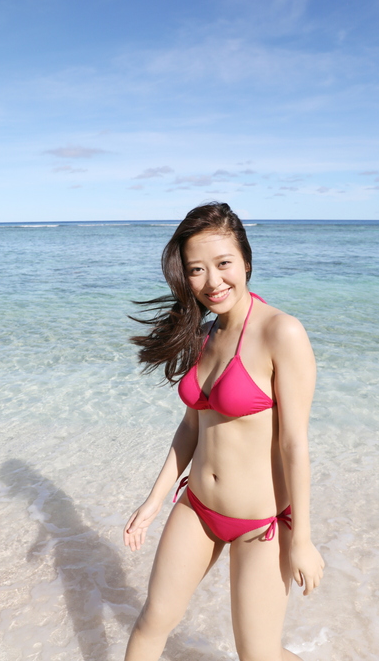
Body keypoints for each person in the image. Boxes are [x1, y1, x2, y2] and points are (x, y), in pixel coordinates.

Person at [123, 201, 324, 661]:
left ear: (246, 262)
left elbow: (294, 443)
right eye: (197, 269)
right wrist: (153, 502)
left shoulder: (282, 333)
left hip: (261, 526)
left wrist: (303, 539)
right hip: (196, 508)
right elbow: (191, 426)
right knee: (153, 621)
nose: (212, 281)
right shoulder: (203, 334)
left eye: (224, 263)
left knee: (258, 655)